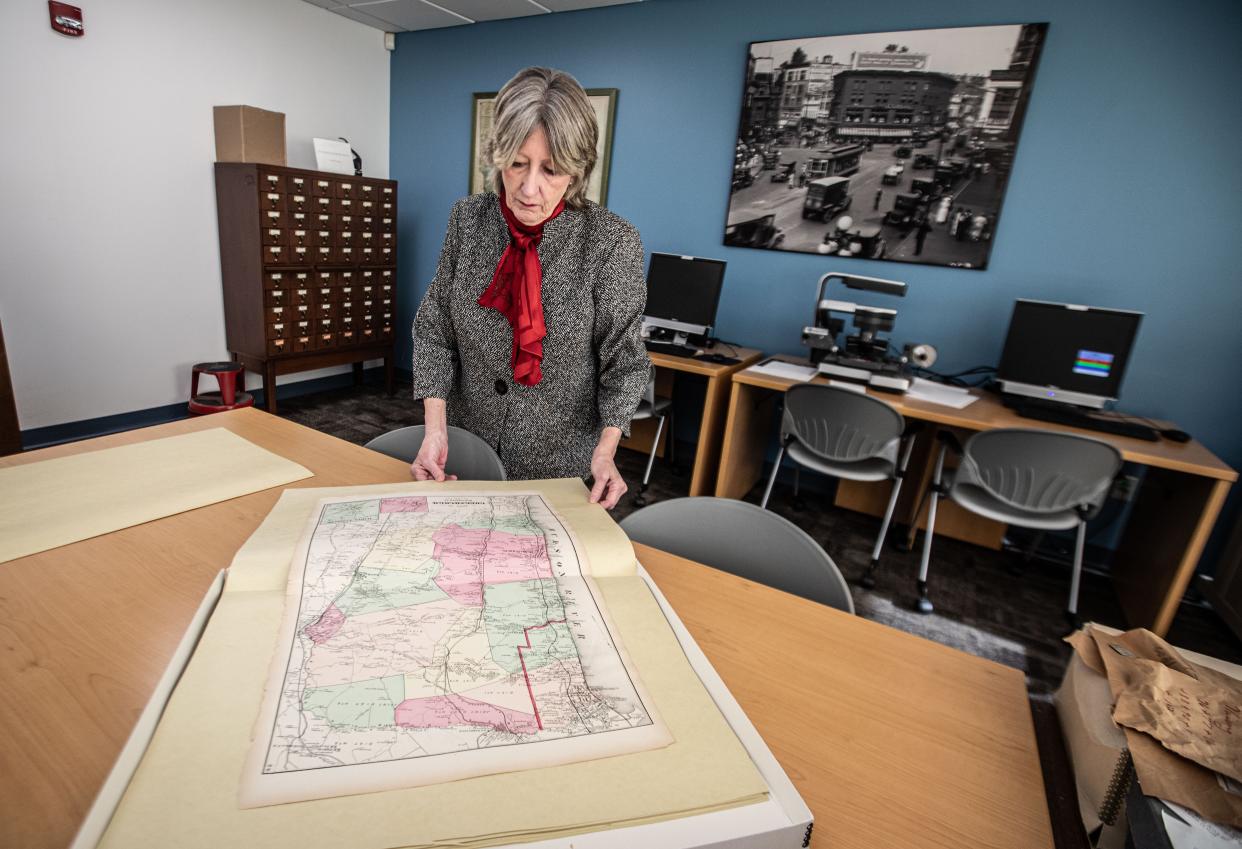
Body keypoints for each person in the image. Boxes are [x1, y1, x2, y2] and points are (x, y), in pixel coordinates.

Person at [409, 67, 648, 509]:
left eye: (552, 169)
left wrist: (607, 450)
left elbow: (626, 363)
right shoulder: (468, 220)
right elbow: (435, 331)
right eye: (517, 163)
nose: (529, 187)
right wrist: (435, 430)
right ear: (498, 155)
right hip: (465, 457)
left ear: (577, 172)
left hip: (559, 472)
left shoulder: (611, 241)